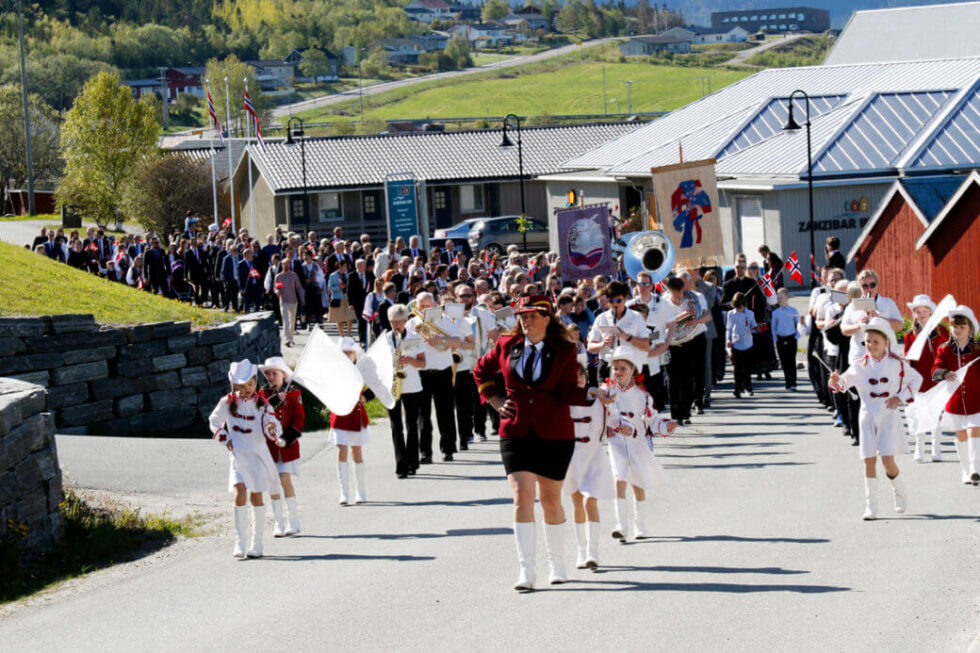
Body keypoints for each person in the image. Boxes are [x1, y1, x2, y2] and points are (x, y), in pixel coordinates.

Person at [472, 294, 608, 590]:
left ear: (547, 318)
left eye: (533, 314)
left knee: (549, 499)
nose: (526, 319)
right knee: (522, 496)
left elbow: (567, 392)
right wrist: (494, 400)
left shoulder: (564, 349)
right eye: (523, 314)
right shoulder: (507, 344)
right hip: (515, 430)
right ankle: (526, 571)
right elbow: (481, 370)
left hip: (554, 432)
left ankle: (557, 563)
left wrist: (592, 395)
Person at [830, 318, 921, 520]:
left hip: (888, 416)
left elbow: (917, 380)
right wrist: (835, 381)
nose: (870, 346)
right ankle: (871, 505)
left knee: (888, 460)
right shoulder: (859, 365)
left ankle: (899, 491)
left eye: (875, 342)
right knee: (868, 460)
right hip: (867, 416)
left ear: (886, 342)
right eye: (867, 341)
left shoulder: (897, 364)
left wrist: (900, 397)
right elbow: (843, 384)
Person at [208, 360, 283, 558]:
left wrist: (272, 429)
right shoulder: (227, 402)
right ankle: (239, 540)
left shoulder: (263, 404)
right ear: (233, 386)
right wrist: (225, 438)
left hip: (257, 456)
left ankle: (256, 543)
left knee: (256, 496)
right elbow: (213, 422)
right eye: (240, 387)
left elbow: (271, 422)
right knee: (239, 492)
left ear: (255, 382)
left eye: (249, 385)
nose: (246, 390)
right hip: (238, 455)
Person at [604, 347, 675, 542]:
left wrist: (666, 425)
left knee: (637, 483)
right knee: (619, 478)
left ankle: (639, 524)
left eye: (623, 368)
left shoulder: (643, 396)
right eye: (615, 368)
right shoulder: (608, 391)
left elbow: (653, 419)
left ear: (633, 370)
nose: (618, 372)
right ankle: (621, 524)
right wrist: (619, 425)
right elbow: (607, 414)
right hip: (617, 442)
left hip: (638, 443)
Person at [564, 363, 615, 569]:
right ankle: (581, 549)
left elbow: (614, 418)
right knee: (577, 502)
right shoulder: (563, 400)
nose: (578, 378)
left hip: (593, 456)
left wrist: (620, 428)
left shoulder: (599, 400)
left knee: (589, 500)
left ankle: (593, 551)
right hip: (570, 458)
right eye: (573, 375)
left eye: (581, 375)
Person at [410, 292, 462, 463]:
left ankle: (447, 449)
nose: (426, 308)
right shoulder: (412, 323)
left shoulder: (444, 319)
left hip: (443, 371)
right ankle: (425, 452)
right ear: (417, 307)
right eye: (422, 305)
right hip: (422, 373)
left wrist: (441, 341)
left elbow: (457, 343)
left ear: (435, 305)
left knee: (445, 412)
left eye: (428, 304)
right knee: (422, 415)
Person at [931, 306, 980, 485]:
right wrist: (944, 373)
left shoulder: (977, 348)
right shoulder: (944, 349)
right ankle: (966, 470)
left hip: (976, 399)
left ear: (970, 329)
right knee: (961, 436)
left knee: (974, 430)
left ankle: (975, 468)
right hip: (955, 400)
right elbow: (935, 369)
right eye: (954, 326)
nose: (957, 330)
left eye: (962, 327)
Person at [258, 357, 305, 537]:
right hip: (269, 447)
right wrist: (276, 399)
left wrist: (286, 439)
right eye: (268, 374)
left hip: (287, 446)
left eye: (274, 373)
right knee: (272, 483)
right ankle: (279, 523)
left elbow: (299, 421)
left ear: (283, 374)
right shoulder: (262, 394)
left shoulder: (294, 394)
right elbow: (261, 411)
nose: (270, 377)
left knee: (285, 479)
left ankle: (293, 521)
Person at [903, 295, 948, 462]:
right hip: (919, 381)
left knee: (936, 416)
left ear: (931, 311)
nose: (921, 315)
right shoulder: (910, 334)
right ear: (914, 314)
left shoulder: (941, 331)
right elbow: (909, 358)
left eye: (924, 311)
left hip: (936, 380)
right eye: (918, 312)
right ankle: (919, 449)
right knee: (920, 415)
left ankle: (936, 450)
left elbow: (947, 353)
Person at [384, 305, 426, 478]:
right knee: (396, 426)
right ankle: (401, 465)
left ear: (405, 321)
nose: (396, 325)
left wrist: (409, 360)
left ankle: (412, 462)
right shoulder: (385, 339)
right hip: (392, 386)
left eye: (399, 322)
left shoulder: (415, 338)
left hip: (412, 385)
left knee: (411, 425)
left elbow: (423, 363)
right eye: (393, 322)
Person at [332, 338, 374, 505]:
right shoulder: (333, 371)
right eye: (344, 353)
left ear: (355, 354)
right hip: (340, 414)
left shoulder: (361, 369)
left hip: (356, 414)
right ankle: (343, 492)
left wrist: (367, 397)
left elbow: (376, 384)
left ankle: (360, 492)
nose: (347, 356)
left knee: (357, 452)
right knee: (341, 450)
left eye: (350, 353)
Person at [663, 276, 710, 424]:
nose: (680, 295)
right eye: (677, 293)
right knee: (673, 380)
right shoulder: (662, 302)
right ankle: (676, 414)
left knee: (688, 379)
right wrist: (681, 316)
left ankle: (686, 411)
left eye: (681, 291)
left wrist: (693, 320)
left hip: (691, 341)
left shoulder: (694, 297)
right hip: (671, 343)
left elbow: (707, 316)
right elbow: (661, 324)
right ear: (670, 291)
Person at [586, 281, 650, 382]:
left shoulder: (636, 317)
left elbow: (646, 345)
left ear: (625, 299)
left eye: (618, 300)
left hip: (629, 366)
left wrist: (627, 337)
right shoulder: (601, 318)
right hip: (607, 365)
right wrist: (603, 344)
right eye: (611, 301)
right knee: (607, 397)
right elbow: (590, 347)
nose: (615, 304)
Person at [726, 292, 757, 398]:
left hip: (748, 343)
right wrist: (728, 340)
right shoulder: (731, 314)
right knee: (737, 368)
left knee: (747, 368)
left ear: (744, 305)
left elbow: (754, 326)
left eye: (740, 307)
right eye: (737, 307)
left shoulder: (750, 314)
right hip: (736, 344)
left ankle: (749, 387)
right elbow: (729, 328)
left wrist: (755, 328)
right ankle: (737, 388)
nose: (739, 309)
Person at [771, 288, 800, 391]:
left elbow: (799, 325)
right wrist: (775, 339)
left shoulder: (793, 311)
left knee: (791, 361)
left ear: (787, 298)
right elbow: (773, 328)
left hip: (791, 338)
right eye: (778, 297)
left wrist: (797, 336)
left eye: (781, 297)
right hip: (780, 339)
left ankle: (793, 383)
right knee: (784, 362)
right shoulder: (775, 313)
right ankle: (788, 382)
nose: (779, 299)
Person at [348, 258, 375, 347]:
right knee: (361, 321)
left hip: (368, 301)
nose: (364, 267)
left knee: (370, 320)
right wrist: (350, 303)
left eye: (364, 265)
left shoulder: (370, 274)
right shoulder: (352, 275)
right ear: (358, 266)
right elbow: (350, 290)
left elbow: (374, 286)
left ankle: (370, 338)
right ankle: (362, 340)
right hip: (357, 302)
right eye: (362, 266)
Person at [328, 257, 354, 338]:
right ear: (340, 266)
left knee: (350, 316)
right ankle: (342, 334)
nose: (346, 268)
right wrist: (339, 287)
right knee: (339, 317)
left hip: (347, 297)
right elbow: (330, 287)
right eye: (345, 266)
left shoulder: (347, 274)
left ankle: (349, 334)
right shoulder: (333, 275)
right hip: (338, 297)